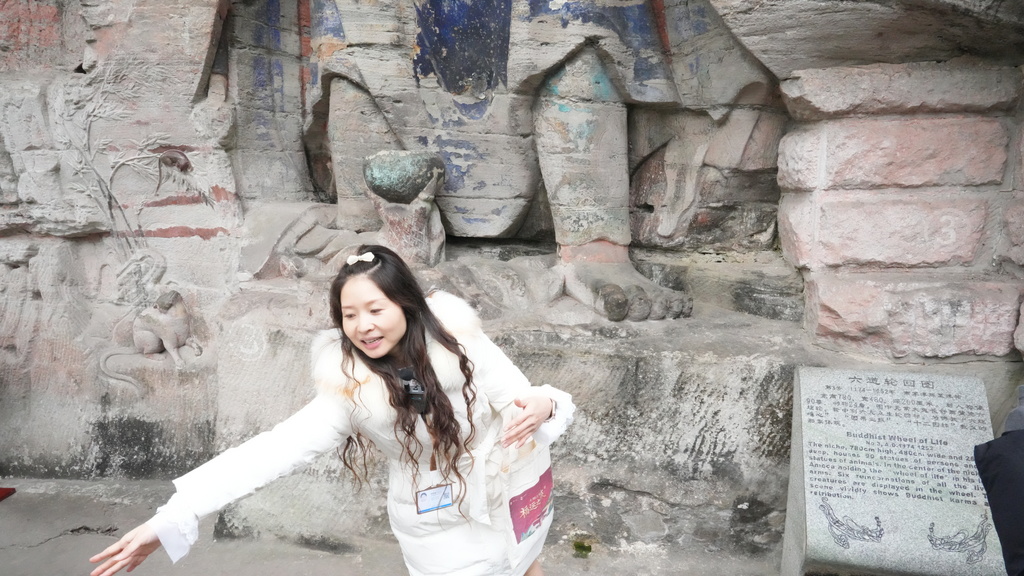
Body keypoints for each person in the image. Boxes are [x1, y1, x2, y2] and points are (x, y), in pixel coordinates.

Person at [89, 245, 575, 576]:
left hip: (512, 494)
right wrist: (174, 516)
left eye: (375, 309)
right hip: (439, 525)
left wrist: (544, 404)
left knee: (527, 565)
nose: (363, 326)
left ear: (406, 304)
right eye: (349, 315)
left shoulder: (460, 342)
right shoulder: (349, 388)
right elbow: (272, 451)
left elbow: (525, 398)